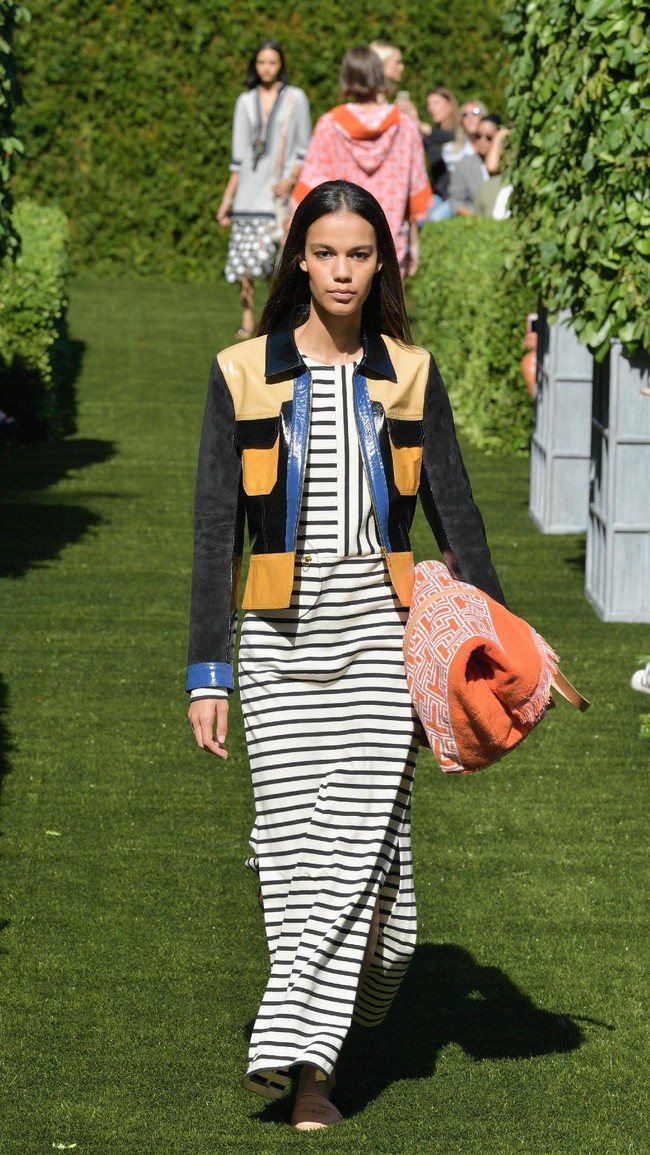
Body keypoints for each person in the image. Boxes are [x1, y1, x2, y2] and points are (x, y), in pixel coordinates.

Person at [186, 179, 505, 1131]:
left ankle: (291, 1035)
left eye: (358, 254)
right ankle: (312, 1075)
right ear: (299, 259)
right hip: (278, 645)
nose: (340, 270)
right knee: (294, 858)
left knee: (368, 870)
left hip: (379, 634)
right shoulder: (241, 371)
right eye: (324, 252)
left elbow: (457, 511)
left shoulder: (411, 372)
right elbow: (214, 532)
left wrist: (502, 638)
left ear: (381, 262)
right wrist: (211, 673)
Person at [291, 47, 432, 276]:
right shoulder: (405, 126)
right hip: (390, 241)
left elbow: (310, 188)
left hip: (339, 245)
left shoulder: (330, 125)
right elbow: (415, 195)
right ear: (379, 76)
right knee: (388, 310)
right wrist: (415, 245)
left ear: (346, 77)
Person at [217, 39, 311, 338]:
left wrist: (292, 179)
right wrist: (227, 198)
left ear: (281, 63)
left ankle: (273, 321)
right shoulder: (245, 101)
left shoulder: (296, 98)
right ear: (254, 65)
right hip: (247, 195)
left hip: (277, 197)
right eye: (261, 62)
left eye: (272, 62)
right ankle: (247, 321)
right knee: (244, 266)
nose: (266, 68)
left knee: (276, 265)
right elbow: (239, 156)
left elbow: (304, 147)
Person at [419, 86, 460, 221]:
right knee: (418, 217)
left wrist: (421, 126)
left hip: (457, 195)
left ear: (450, 105)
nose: (431, 108)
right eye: (429, 104)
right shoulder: (431, 136)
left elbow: (447, 136)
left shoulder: (460, 132)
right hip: (439, 195)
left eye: (436, 103)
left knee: (433, 220)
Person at [448, 114, 502, 216]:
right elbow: (456, 201)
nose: (482, 141)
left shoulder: (507, 165)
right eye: (478, 136)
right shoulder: (464, 165)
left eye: (489, 137)